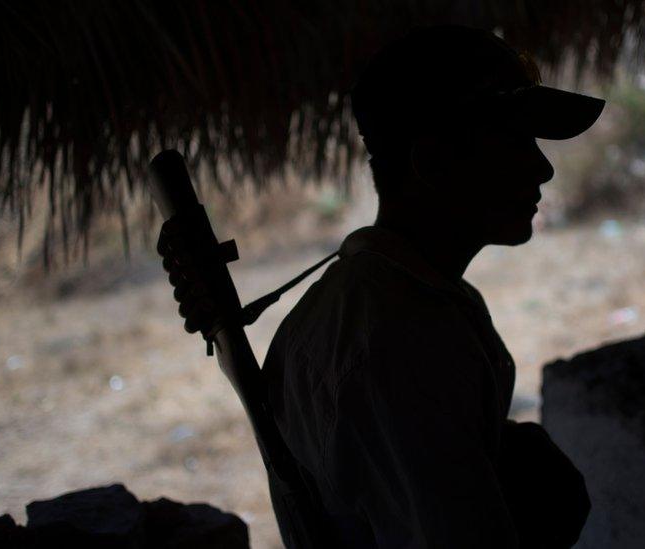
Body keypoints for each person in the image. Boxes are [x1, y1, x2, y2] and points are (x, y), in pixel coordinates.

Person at [161, 25, 603, 548]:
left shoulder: (395, 300)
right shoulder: (402, 342)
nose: (543, 166)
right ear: (435, 164)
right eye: (515, 140)